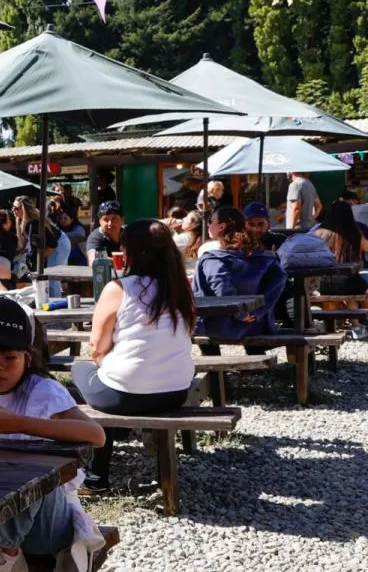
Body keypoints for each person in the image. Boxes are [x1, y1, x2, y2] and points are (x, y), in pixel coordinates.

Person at [0, 296, 105, 572]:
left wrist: (19, 424)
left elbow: (96, 435)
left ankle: (3, 551)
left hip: (49, 524)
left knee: (36, 473)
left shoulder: (42, 392)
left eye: (8, 358)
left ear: (26, 357)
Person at [71, 220, 196, 490]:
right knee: (113, 377)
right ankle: (127, 430)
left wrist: (107, 362)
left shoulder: (119, 288)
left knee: (79, 372)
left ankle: (95, 477)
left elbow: (96, 347)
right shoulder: (181, 289)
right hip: (176, 390)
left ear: (129, 252)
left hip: (125, 392)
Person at [192, 207, 286, 349]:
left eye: (211, 221)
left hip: (218, 327)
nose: (208, 225)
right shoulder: (264, 256)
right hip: (256, 324)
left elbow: (221, 285)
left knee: (202, 322)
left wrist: (241, 314)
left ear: (221, 226)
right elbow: (280, 278)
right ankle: (254, 360)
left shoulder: (212, 258)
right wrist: (257, 312)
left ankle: (214, 368)